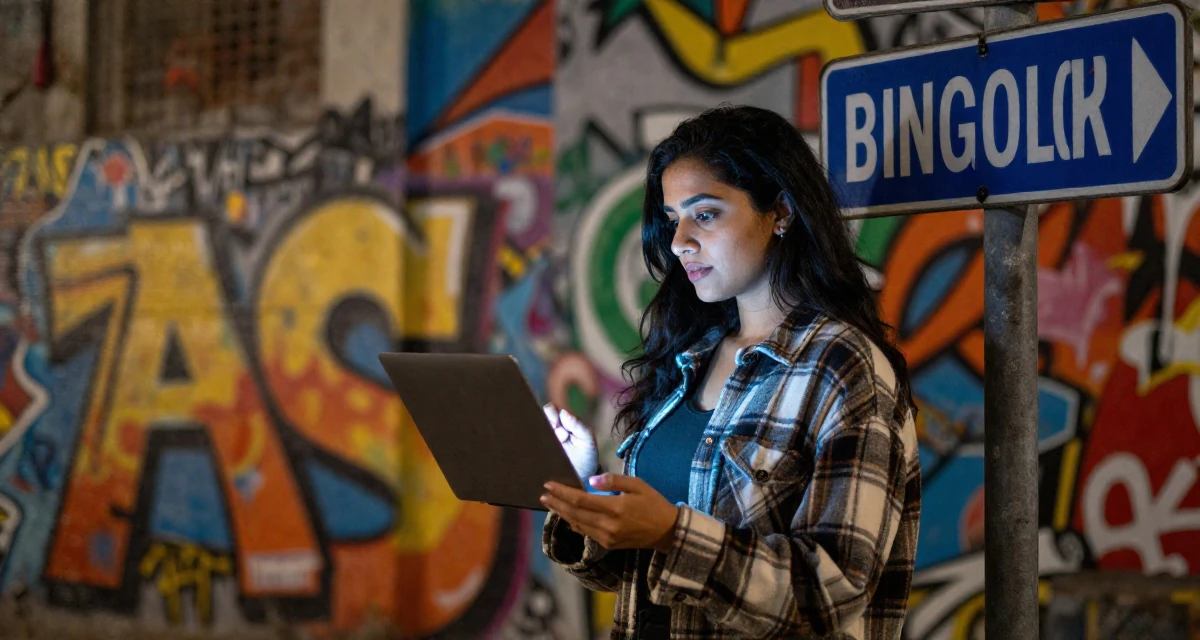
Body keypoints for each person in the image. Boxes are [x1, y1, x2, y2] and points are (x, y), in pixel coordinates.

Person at [539, 104, 921, 640]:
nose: (679, 242)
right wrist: (588, 491)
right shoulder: (690, 357)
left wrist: (675, 535)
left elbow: (832, 595)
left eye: (706, 214)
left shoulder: (840, 366)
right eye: (673, 219)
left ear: (781, 212)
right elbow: (637, 572)